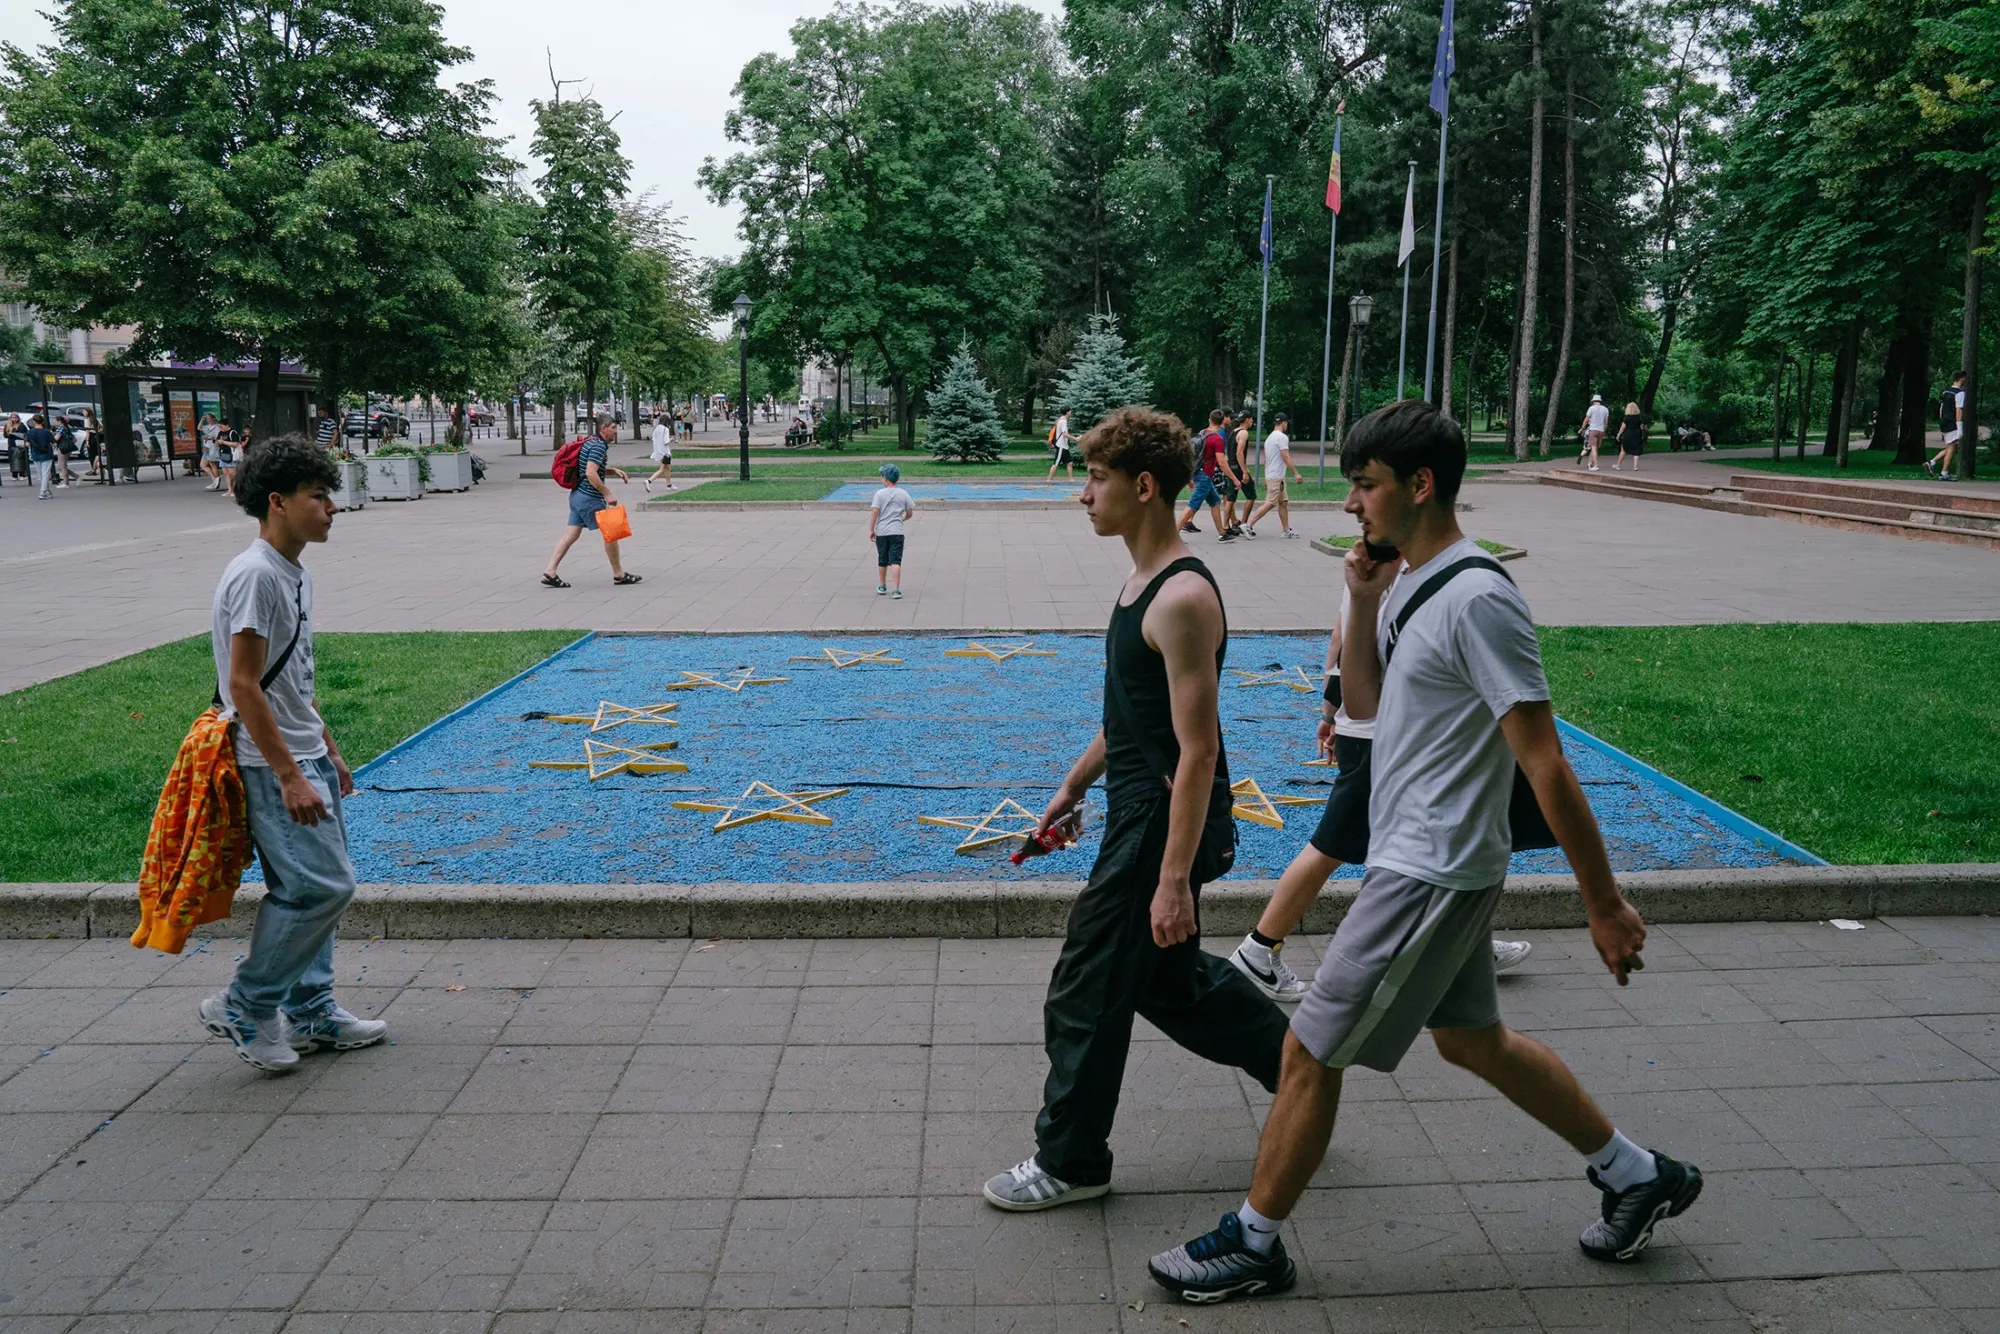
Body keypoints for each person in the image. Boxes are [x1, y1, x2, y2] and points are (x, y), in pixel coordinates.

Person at [1148, 402, 1699, 1303]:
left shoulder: (1479, 596)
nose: (1353, 502)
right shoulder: (1410, 581)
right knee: (1474, 1043)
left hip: (1433, 869)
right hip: (1417, 855)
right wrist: (1363, 602)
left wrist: (1603, 902)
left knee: (1310, 1051)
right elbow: (1365, 702)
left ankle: (1254, 1243)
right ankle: (1639, 1176)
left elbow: (1546, 760)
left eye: (1365, 484)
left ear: (1420, 484)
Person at [983, 405, 1291, 1213]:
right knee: (1167, 982)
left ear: (1143, 487)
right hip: (1137, 812)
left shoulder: (1181, 597)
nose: (1082, 494)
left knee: (1087, 985)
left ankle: (1072, 1162)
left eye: (1095, 479)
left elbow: (1198, 751)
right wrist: (1074, 784)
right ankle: (1303, 1072)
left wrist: (1173, 880)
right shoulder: (1142, 581)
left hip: (1161, 829)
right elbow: (1133, 714)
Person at [1228, 585, 1534, 1004]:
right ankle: (1258, 951)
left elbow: (1340, 641)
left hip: (1386, 734)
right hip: (1384, 737)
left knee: (1435, 841)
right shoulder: (1398, 575)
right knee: (1333, 845)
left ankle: (1465, 948)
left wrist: (1330, 713)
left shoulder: (1366, 571)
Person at [199, 433, 386, 1073]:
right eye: (319, 496)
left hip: (302, 752)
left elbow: (291, 677)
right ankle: (246, 1005)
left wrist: (327, 749)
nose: (332, 508)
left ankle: (312, 1011)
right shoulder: (256, 575)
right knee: (320, 888)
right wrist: (288, 773)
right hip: (268, 759)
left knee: (310, 888)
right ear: (277, 502)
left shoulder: (291, 570)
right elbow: (244, 685)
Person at [541, 416, 639, 588]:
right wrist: (608, 494)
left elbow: (590, 468)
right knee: (611, 533)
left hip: (577, 495)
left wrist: (612, 470)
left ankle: (550, 571)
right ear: (603, 429)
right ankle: (619, 574)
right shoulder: (598, 446)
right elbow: (590, 473)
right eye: (614, 427)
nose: (616, 431)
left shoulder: (589, 442)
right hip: (589, 498)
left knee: (571, 535)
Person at [1244, 413, 1306, 539]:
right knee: (1271, 502)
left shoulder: (1270, 438)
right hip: (1276, 476)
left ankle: (1286, 530)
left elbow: (1267, 459)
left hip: (1274, 475)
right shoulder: (1282, 437)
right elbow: (1285, 456)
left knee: (1283, 502)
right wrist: (1296, 473)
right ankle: (1248, 525)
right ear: (1284, 423)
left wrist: (1266, 478)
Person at [1176, 410, 1235, 537]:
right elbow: (1222, 462)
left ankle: (1222, 533)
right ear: (1222, 421)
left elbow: (1194, 456)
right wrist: (1234, 479)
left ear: (1210, 420)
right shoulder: (1217, 439)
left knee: (1215, 502)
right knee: (1193, 505)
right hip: (1205, 476)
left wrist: (1190, 477)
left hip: (1199, 472)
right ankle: (1171, 536)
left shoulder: (1202, 433)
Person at [870, 463, 915, 599]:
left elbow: (875, 512)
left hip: (882, 532)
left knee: (882, 559)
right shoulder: (903, 493)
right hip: (897, 532)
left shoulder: (879, 494)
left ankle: (882, 585)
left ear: (885, 479)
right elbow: (910, 512)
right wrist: (902, 519)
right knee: (896, 561)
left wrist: (871, 529)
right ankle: (896, 589)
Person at [1927, 371, 1968, 479]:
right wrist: (1959, 427)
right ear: (1961, 379)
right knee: (1951, 447)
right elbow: (1959, 410)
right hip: (1952, 422)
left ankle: (1932, 463)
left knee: (1952, 447)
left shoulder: (1946, 392)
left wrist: (1942, 420)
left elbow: (1941, 408)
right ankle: (1943, 472)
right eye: (1965, 378)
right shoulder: (1959, 393)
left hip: (1944, 421)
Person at [1231, 414, 1259, 535]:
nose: (1252, 421)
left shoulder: (1233, 432)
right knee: (1251, 495)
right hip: (1238, 469)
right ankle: (1244, 523)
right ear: (1247, 420)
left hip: (1231, 467)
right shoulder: (1244, 433)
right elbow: (1239, 453)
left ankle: (1229, 525)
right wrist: (1244, 471)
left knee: (1230, 497)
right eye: (1251, 418)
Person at [26, 414, 56, 499]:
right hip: (47, 454)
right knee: (46, 473)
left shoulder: (30, 432)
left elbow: (27, 444)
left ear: (34, 422)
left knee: (41, 474)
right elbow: (54, 443)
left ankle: (46, 491)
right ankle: (43, 491)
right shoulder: (46, 432)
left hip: (35, 454)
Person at [645, 411, 675, 491]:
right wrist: (671, 439)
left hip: (658, 451)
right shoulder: (666, 429)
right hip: (665, 452)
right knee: (662, 469)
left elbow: (654, 439)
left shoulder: (656, 429)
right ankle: (649, 481)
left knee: (668, 468)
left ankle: (669, 485)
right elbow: (666, 441)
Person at [1612, 402, 1646, 472]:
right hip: (1637, 435)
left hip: (1628, 435)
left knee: (1623, 450)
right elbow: (1641, 427)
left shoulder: (1627, 418)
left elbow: (1622, 428)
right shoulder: (1638, 418)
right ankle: (1635, 466)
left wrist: (1618, 434)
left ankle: (1618, 465)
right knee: (1636, 451)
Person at [1579, 394, 1609, 472]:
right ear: (1600, 401)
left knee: (1593, 448)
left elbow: (1586, 420)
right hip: (1601, 430)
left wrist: (1582, 428)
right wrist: (1604, 432)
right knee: (1596, 448)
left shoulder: (1591, 408)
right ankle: (1590, 464)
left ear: (1593, 401)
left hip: (1593, 430)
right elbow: (1606, 422)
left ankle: (1595, 465)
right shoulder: (1605, 409)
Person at [1047, 408, 1075, 483]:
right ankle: (1049, 480)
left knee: (1069, 463)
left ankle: (1071, 479)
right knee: (1056, 463)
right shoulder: (1063, 421)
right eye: (1070, 411)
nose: (1071, 412)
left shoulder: (1061, 420)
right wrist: (1075, 439)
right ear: (1067, 412)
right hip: (1061, 445)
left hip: (1064, 446)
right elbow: (1065, 434)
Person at [199, 412, 223, 490]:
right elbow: (199, 428)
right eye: (207, 419)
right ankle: (214, 479)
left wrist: (208, 437)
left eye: (209, 419)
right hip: (207, 446)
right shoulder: (208, 426)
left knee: (213, 464)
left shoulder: (217, 427)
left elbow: (216, 437)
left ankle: (216, 479)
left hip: (212, 447)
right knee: (203, 464)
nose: (208, 421)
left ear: (213, 419)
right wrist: (202, 420)